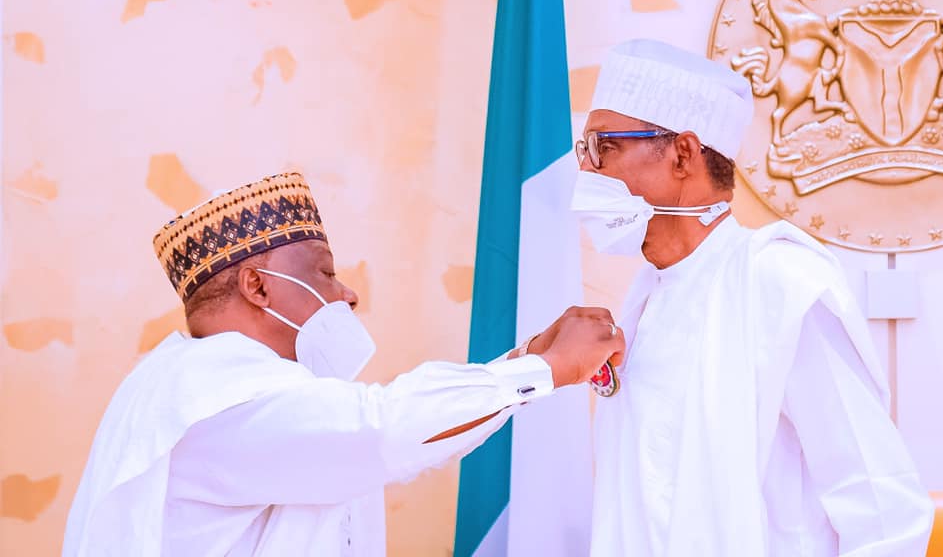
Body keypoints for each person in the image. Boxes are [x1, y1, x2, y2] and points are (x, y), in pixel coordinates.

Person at [63, 172, 624, 556]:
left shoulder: (208, 384)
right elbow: (383, 427)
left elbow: (349, 432)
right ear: (257, 286)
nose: (347, 293)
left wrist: (525, 358)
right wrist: (546, 370)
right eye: (325, 272)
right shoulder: (214, 399)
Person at [570, 39, 934, 556]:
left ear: (683, 154)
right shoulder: (645, 296)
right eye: (584, 150)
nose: (588, 171)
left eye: (604, 148)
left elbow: (882, 510)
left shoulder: (780, 281)